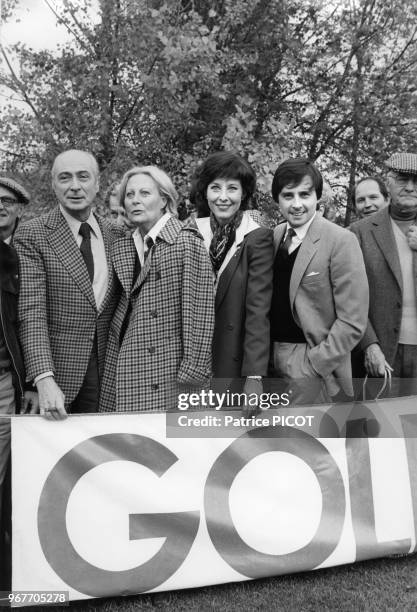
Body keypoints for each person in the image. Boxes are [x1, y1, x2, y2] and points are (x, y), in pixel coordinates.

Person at [14, 150, 124, 419]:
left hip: (107, 373)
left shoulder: (118, 235)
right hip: (56, 376)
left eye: (83, 177)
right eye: (65, 178)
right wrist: (42, 378)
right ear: (54, 185)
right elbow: (31, 313)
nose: (75, 186)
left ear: (97, 183)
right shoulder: (33, 234)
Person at [99, 166, 214, 412]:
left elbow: (200, 314)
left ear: (164, 199)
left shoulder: (186, 241)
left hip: (169, 372)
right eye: (129, 195)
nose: (135, 201)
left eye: (144, 193)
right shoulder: (125, 246)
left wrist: (193, 373)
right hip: (128, 362)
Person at [270, 158, 369, 404]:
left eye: (305, 194)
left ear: (317, 197)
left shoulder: (340, 240)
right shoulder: (276, 235)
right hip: (271, 362)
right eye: (288, 195)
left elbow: (352, 321)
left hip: (314, 365)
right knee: (275, 440)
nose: (297, 204)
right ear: (277, 200)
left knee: (307, 440)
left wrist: (314, 365)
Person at [189, 151, 273, 413]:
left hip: (233, 358)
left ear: (244, 193)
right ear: (205, 192)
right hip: (192, 360)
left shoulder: (256, 237)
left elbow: (258, 310)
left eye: (232, 188)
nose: (223, 197)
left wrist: (254, 376)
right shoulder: (190, 232)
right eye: (215, 188)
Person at [351, 153, 417, 397]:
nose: (410, 187)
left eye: (416, 181)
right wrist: (368, 344)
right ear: (388, 182)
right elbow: (350, 298)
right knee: (381, 431)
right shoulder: (359, 232)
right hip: (383, 356)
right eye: (402, 179)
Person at [0, 177, 39, 589]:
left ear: (19, 209)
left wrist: (29, 380)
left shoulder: (29, 251)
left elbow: (28, 323)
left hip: (11, 382)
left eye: (7, 201)